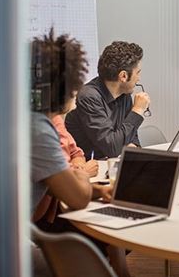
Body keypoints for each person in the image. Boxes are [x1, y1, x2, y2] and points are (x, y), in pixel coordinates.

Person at [30, 30, 131, 277]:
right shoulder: (37, 129)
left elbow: (56, 182)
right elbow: (76, 197)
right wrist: (82, 175)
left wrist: (97, 189)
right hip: (11, 241)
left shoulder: (23, 118)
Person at [65, 41, 150, 159]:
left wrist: (133, 148)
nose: (138, 78)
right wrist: (137, 111)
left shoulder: (124, 93)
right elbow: (112, 147)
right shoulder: (89, 97)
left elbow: (130, 134)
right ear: (123, 76)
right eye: (138, 73)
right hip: (89, 167)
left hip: (111, 164)